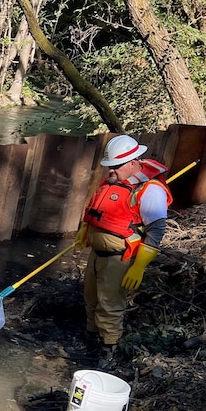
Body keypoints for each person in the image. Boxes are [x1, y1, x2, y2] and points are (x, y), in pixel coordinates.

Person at [73, 135, 172, 369]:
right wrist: (84, 232)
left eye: (116, 166)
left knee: (109, 306)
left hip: (120, 258)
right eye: (109, 166)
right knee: (91, 300)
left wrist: (139, 266)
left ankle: (106, 354)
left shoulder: (149, 191)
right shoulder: (111, 183)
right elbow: (97, 213)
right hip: (97, 255)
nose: (111, 171)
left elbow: (156, 231)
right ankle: (90, 346)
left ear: (132, 163)